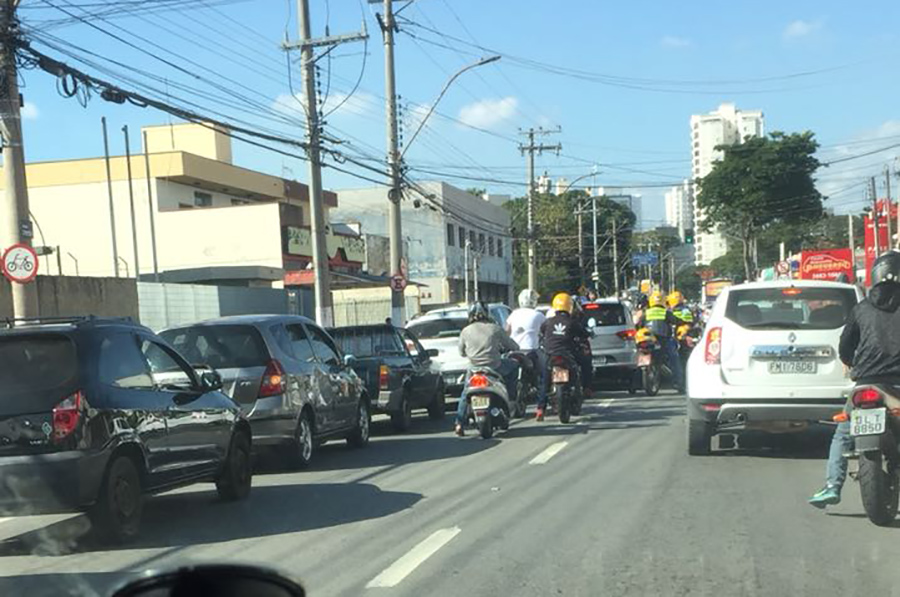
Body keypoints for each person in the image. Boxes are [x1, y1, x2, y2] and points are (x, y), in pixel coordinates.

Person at [809, 251, 900, 508]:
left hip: (866, 383)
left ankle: (831, 485)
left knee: (842, 434)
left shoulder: (862, 308)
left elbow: (846, 347)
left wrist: (852, 364)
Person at [455, 301, 520, 436]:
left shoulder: (465, 331)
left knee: (465, 392)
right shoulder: (494, 328)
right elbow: (513, 346)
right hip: (495, 367)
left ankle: (459, 423)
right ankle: (512, 399)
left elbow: (461, 352)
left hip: (474, 369)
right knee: (514, 366)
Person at [538, 293, 590, 422]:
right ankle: (585, 388)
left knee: (544, 381)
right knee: (583, 365)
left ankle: (540, 409)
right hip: (567, 355)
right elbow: (584, 334)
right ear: (570, 307)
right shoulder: (572, 323)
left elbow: (542, 332)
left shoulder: (548, 322)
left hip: (550, 355)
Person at [506, 289, 548, 411]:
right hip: (531, 351)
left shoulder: (513, 314)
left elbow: (506, 331)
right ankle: (541, 405)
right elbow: (546, 331)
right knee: (543, 376)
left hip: (514, 352)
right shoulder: (538, 315)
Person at [639, 290, 684, 392]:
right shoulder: (666, 312)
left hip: (648, 340)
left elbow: (639, 324)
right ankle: (679, 383)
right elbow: (676, 321)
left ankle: (635, 382)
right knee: (675, 358)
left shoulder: (646, 312)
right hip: (663, 340)